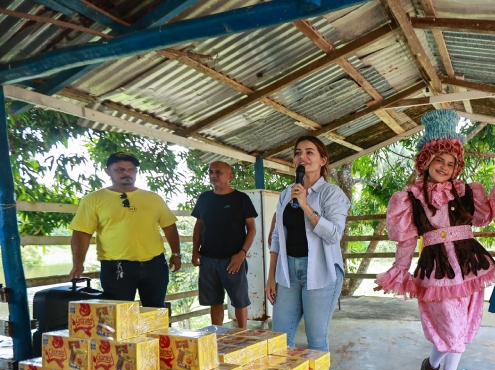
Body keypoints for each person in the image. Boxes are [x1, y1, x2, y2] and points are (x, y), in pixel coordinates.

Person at [373, 109, 495, 370]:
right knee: (452, 329)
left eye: (451, 163)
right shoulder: (409, 197)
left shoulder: (465, 191)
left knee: (461, 330)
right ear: (426, 161)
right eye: (439, 161)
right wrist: (399, 272)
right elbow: (407, 240)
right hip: (437, 270)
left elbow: (484, 219)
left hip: (471, 266)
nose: (445, 167)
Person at [265, 136, 350, 353]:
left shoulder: (332, 194)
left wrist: (305, 206)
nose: (302, 157)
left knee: (316, 339)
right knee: (279, 338)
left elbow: (334, 235)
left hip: (322, 271)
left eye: (309, 152)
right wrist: (271, 276)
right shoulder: (286, 193)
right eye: (298, 152)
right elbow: (277, 235)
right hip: (287, 272)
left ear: (322, 160)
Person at [69, 152, 181, 307]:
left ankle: (156, 332)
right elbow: (82, 233)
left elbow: (169, 226)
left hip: (154, 264)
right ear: (107, 171)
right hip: (116, 266)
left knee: (156, 311)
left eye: (131, 170)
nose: (127, 173)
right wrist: (78, 263)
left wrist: (176, 254)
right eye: (120, 170)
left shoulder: (153, 198)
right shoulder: (93, 199)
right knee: (118, 315)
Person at [191, 161, 258, 328]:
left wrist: (242, 253)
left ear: (230, 176)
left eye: (218, 172)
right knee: (214, 301)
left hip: (233, 259)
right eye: (211, 172)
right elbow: (198, 226)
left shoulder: (241, 199)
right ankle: (217, 336)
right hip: (208, 258)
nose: (213, 175)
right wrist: (194, 251)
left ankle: (242, 334)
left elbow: (251, 229)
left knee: (239, 300)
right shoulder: (204, 198)